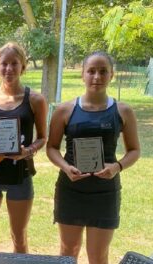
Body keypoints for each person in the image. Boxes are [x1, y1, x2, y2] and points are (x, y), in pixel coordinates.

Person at [46, 51, 140, 264]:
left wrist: (117, 167)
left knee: (98, 256)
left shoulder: (122, 110)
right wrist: (65, 167)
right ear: (83, 75)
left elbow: (134, 150)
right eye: (91, 71)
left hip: (105, 192)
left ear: (111, 75)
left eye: (102, 71)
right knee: (68, 251)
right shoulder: (65, 110)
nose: (97, 77)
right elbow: (52, 148)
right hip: (71, 189)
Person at [0, 42, 47, 253]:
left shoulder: (35, 100)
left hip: (20, 175)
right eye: (4, 64)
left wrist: (29, 150)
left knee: (19, 237)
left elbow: (43, 137)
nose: (8, 69)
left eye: (14, 64)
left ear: (23, 67)